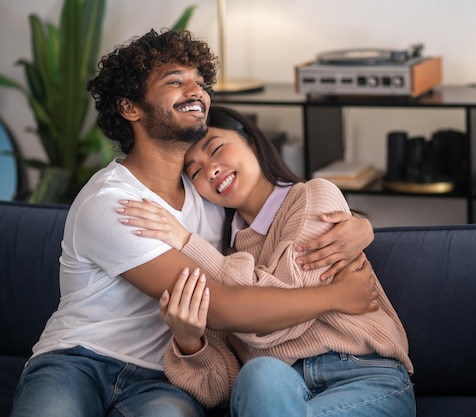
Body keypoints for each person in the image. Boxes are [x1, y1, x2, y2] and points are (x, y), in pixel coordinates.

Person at [9, 29, 378, 417]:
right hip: (79, 359)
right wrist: (336, 297)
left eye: (200, 83)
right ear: (130, 108)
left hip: (162, 377)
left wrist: (361, 223)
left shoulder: (208, 191)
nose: (197, 91)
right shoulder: (114, 202)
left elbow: (282, 216)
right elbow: (217, 306)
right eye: (176, 81)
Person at [118, 105, 416, 416]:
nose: (211, 170)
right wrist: (190, 341)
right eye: (195, 172)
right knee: (258, 373)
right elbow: (219, 390)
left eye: (217, 148)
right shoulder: (223, 254)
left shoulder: (314, 197)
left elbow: (277, 307)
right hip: (276, 387)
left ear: (252, 141)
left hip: (360, 373)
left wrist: (186, 242)